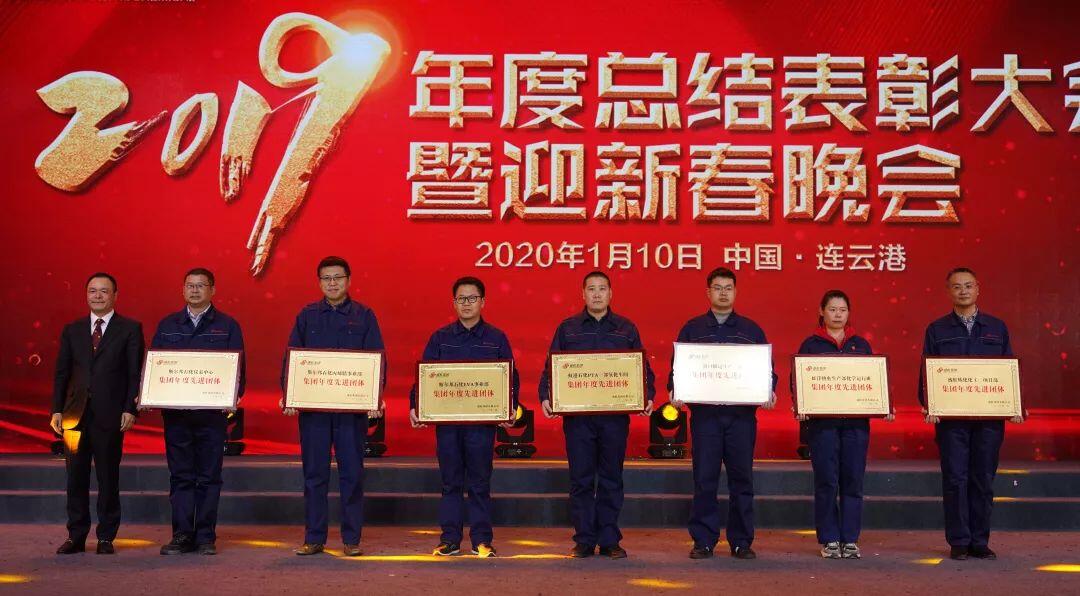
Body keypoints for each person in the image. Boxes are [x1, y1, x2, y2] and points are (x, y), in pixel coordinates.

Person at [538, 271, 656, 559]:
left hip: (614, 420)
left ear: (611, 293)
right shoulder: (568, 329)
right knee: (580, 480)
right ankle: (584, 540)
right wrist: (546, 397)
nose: (597, 294)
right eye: (591, 289)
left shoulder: (626, 328)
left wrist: (647, 395)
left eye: (602, 288)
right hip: (578, 420)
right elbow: (551, 369)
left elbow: (642, 369)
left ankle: (609, 539)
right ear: (583, 294)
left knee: (611, 478)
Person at [669, 267, 777, 560]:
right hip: (705, 418)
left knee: (742, 481)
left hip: (741, 419)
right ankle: (703, 540)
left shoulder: (751, 330)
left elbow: (767, 371)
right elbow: (678, 369)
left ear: (736, 292)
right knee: (704, 480)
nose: (723, 293)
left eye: (728, 288)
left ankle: (741, 541)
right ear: (708, 292)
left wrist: (768, 390)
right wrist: (675, 391)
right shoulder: (692, 329)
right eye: (717, 288)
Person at [280, 256, 386, 557]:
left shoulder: (365, 316)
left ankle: (351, 540)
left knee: (352, 474)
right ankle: (314, 538)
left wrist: (374, 397)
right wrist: (289, 394)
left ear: (348, 281)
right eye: (326, 278)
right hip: (315, 412)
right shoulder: (307, 316)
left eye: (338, 277)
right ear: (319, 283)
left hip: (351, 413)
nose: (332, 283)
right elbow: (292, 357)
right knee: (314, 475)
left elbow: (377, 358)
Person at [409, 276, 520, 557]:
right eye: (461, 299)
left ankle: (482, 540)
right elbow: (424, 377)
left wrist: (509, 407)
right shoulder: (440, 338)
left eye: (472, 298)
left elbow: (511, 378)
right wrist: (415, 406)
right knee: (451, 482)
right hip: (448, 425)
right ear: (454, 303)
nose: (467, 303)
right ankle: (450, 539)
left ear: (483, 302)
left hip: (481, 425)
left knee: (480, 483)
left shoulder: (496, 338)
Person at [920, 267, 1024, 561]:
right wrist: (930, 405)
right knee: (955, 479)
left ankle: (980, 540)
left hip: (989, 421)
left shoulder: (997, 328)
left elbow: (1008, 370)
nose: (963, 291)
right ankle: (959, 541)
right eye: (956, 286)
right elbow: (926, 371)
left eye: (968, 285)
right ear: (948, 291)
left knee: (983, 479)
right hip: (951, 421)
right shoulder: (937, 329)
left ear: (978, 288)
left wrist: (1014, 404)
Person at [150, 268, 245, 556]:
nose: (194, 290)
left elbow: (238, 372)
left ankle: (205, 536)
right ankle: (181, 535)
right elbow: (155, 367)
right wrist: (151, 392)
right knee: (180, 476)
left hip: (211, 417)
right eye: (190, 285)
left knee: (209, 477)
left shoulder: (228, 326)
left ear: (212, 290)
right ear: (183, 290)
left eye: (201, 285)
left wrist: (231, 396)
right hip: (176, 417)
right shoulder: (167, 325)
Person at [51, 273, 145, 555]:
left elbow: (134, 374)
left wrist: (130, 409)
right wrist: (56, 409)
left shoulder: (130, 329)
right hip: (73, 417)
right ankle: (76, 536)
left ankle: (106, 537)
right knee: (75, 478)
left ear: (115, 295)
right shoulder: (73, 329)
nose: (98, 296)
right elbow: (62, 373)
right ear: (86, 295)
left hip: (111, 415)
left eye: (104, 291)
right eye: (93, 291)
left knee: (108, 477)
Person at [793, 290, 888, 560]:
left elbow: (873, 381)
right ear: (821, 311)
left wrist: (882, 404)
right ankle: (829, 538)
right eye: (832, 309)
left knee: (853, 481)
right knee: (826, 481)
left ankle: (850, 539)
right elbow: (797, 380)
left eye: (842, 310)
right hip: (822, 426)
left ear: (849, 313)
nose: (837, 314)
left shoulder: (861, 345)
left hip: (856, 426)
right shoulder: (811, 345)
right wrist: (800, 404)